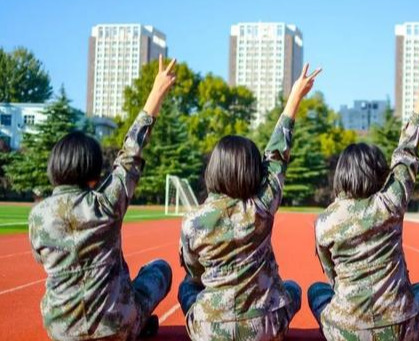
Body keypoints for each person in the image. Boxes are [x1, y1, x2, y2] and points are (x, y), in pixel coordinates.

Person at [28, 55, 177, 340]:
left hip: (62, 331)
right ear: (95, 176)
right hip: (115, 326)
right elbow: (131, 154)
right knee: (160, 270)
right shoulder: (107, 203)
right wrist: (156, 92)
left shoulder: (38, 216)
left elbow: (41, 260)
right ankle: (133, 326)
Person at [178, 63, 322, 340]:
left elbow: (195, 272)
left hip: (210, 331)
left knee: (187, 287)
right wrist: (294, 98)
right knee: (291, 289)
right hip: (265, 328)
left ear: (213, 169)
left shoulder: (192, 222)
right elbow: (277, 155)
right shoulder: (262, 207)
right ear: (253, 171)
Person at [309, 57, 419, 340]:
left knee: (315, 292)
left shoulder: (324, 222)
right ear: (378, 173)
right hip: (399, 329)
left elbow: (330, 275)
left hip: (345, 331)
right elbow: (406, 154)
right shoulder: (390, 204)